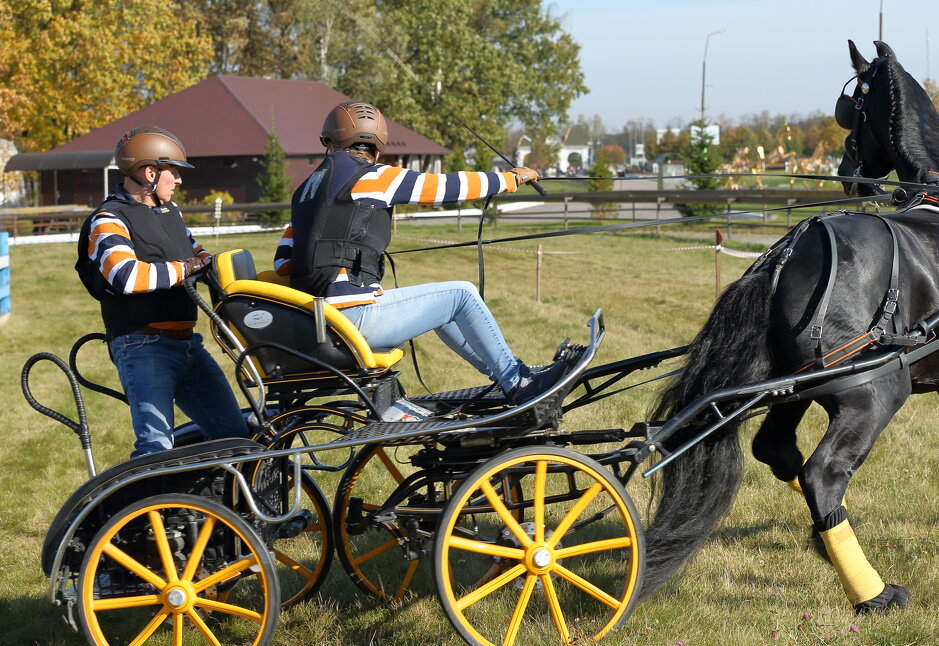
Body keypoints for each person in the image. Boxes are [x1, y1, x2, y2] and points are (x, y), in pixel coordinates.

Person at [273, 101, 571, 405]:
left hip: (319, 322)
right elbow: (445, 187)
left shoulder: (306, 191)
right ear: (377, 147)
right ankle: (517, 382)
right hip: (352, 320)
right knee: (461, 295)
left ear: (328, 143)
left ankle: (508, 374)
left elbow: (282, 264)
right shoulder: (375, 177)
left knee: (444, 309)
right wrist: (510, 179)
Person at [75, 125, 248, 458]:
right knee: (156, 449)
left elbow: (199, 255)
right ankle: (150, 508)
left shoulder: (170, 213)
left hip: (188, 346)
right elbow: (126, 276)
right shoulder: (108, 219)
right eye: (174, 172)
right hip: (143, 346)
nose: (180, 180)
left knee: (234, 436)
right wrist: (187, 268)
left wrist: (213, 265)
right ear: (150, 173)